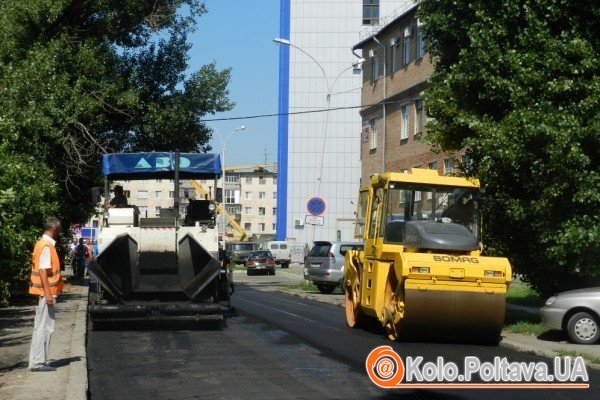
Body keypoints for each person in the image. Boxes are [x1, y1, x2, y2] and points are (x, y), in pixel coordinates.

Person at [28, 217, 64, 372]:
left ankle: (36, 361)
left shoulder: (42, 244)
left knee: (41, 327)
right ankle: (38, 363)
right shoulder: (46, 246)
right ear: (55, 229)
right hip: (46, 294)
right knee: (45, 327)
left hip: (44, 293)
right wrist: (49, 294)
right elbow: (43, 270)